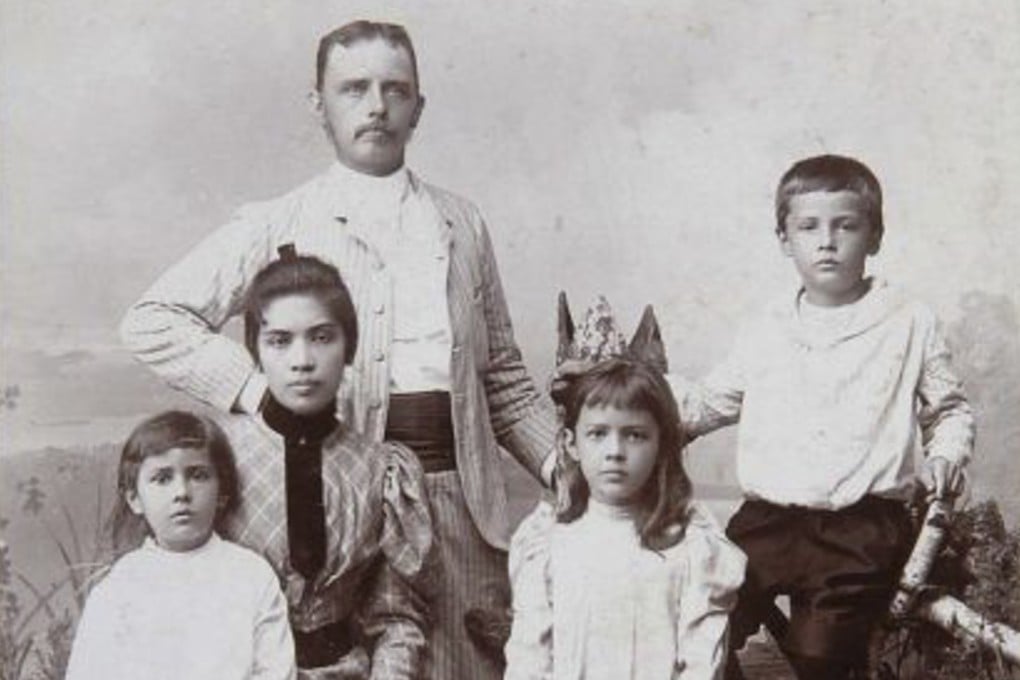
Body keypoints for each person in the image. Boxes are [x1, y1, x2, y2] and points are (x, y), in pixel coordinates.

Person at [118, 20, 558, 680]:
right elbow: (152, 319)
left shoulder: (462, 223)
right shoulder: (279, 221)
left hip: (463, 504)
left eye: (395, 89)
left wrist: (564, 467)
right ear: (318, 105)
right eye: (354, 89)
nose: (376, 106)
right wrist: (260, 394)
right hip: (338, 512)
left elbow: (506, 383)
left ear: (418, 107)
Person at [663, 155, 976, 679]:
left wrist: (945, 455)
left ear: (875, 236)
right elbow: (711, 402)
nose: (826, 241)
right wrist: (643, 395)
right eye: (808, 227)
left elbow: (948, 410)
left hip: (860, 526)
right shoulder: (767, 327)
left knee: (820, 654)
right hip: (767, 521)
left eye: (845, 225)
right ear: (784, 239)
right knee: (701, 617)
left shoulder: (908, 321)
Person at [216, 248, 434, 678]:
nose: (302, 361)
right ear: (256, 351)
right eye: (279, 340)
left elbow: (396, 620)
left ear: (348, 345)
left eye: (321, 337)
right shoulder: (216, 457)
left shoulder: (379, 469)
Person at [505, 297, 746, 680]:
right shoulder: (547, 540)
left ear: (663, 443)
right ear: (570, 444)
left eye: (634, 436)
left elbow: (701, 660)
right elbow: (529, 658)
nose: (615, 452)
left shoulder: (689, 543)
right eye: (598, 435)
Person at [65, 411, 296, 680]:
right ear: (134, 499)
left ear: (222, 493)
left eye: (198, 475)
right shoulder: (119, 586)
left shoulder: (251, 575)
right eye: (162, 479)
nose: (182, 493)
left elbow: (276, 671)